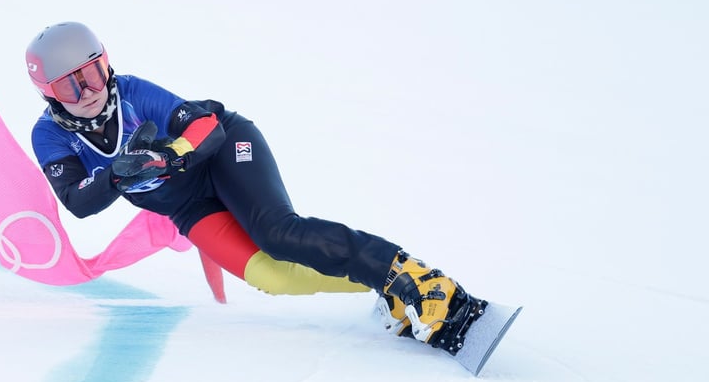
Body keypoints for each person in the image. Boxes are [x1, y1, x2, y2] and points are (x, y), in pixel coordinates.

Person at [27, 21, 488, 356]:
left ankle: (413, 277)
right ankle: (387, 285)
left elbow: (206, 126)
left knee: (278, 233)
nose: (89, 89)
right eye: (70, 85)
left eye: (93, 70)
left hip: (224, 151)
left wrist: (168, 156)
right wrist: (115, 174)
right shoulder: (48, 136)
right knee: (274, 278)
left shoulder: (131, 92)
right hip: (188, 205)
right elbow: (79, 202)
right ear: (49, 94)